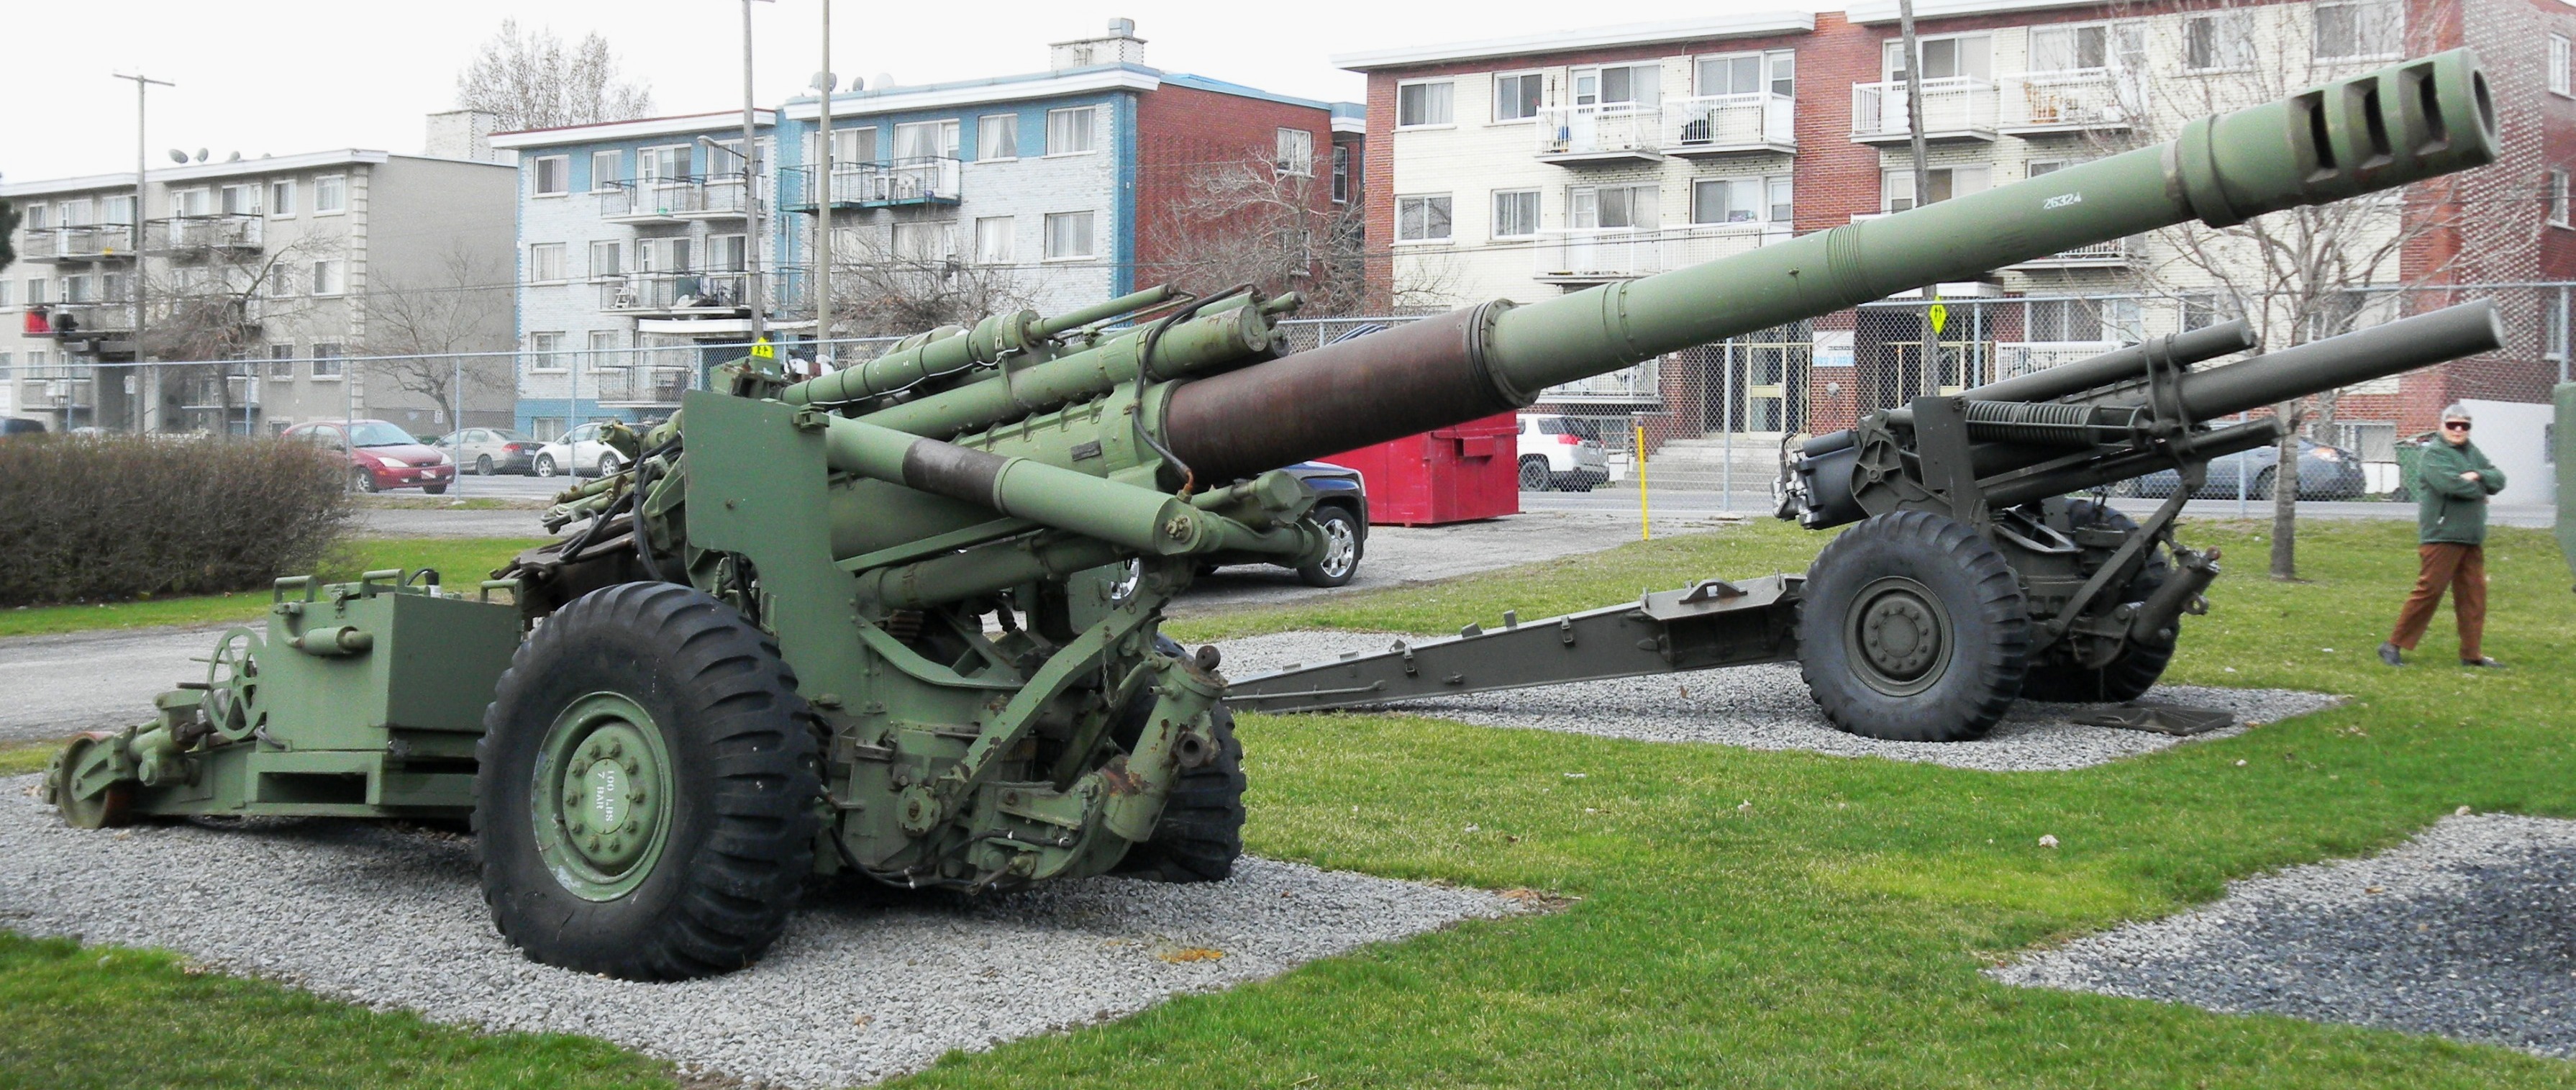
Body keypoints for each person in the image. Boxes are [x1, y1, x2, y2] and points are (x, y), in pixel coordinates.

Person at [2380, 404, 2506, 668]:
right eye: (2452, 425)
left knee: (2474, 598)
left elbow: (2499, 478)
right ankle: (2392, 645)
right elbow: (2450, 485)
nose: (2458, 430)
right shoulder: (2434, 453)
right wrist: (2481, 490)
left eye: (2464, 425)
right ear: (2442, 426)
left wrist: (2478, 474)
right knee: (2429, 592)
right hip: (2442, 536)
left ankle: (2471, 655)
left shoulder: (2472, 452)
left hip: (2471, 537)